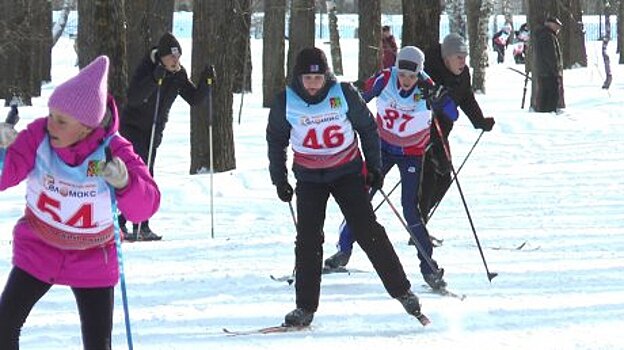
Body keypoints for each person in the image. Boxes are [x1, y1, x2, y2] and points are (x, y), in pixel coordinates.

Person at [0, 56, 160, 349]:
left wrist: (126, 183)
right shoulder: (39, 137)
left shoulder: (111, 152)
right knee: (4, 325)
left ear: (87, 127)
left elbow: (145, 207)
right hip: (39, 247)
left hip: (93, 258)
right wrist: (1, 151)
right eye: (50, 115)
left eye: (61, 120)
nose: (51, 125)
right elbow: (4, 176)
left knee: (98, 343)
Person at [267, 47, 424, 327]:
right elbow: (276, 141)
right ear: (298, 78)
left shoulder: (343, 93)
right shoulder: (285, 101)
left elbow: (367, 128)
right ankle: (304, 307)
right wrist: (279, 179)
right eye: (307, 78)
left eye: (318, 78)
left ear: (326, 75)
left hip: (347, 172)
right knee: (308, 240)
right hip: (309, 178)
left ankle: (403, 290)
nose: (313, 84)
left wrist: (374, 167)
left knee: (367, 230)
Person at [324, 46, 455, 290]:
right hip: (382, 149)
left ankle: (429, 268)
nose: (406, 80)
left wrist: (438, 97)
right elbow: (358, 97)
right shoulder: (385, 79)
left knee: (410, 210)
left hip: (412, 155)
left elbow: (452, 113)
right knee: (361, 200)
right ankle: (343, 251)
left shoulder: (426, 84)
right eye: (402, 74)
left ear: (419, 73)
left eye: (412, 76)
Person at [119, 32, 213, 241]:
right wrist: (154, 78)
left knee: (146, 174)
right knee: (134, 172)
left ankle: (142, 224)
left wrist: (206, 83)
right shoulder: (148, 67)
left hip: (153, 130)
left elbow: (194, 99)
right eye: (171, 57)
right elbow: (134, 97)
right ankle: (121, 221)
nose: (175, 61)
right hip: (132, 127)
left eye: (178, 57)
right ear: (161, 56)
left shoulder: (178, 74)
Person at [417, 33, 496, 227]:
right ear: (446, 58)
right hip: (422, 133)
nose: (463, 62)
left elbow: (467, 98)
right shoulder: (429, 73)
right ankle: (418, 225)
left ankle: (421, 219)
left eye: (465, 57)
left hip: (442, 133)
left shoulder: (463, 75)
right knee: (428, 176)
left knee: (444, 177)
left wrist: (479, 121)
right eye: (459, 57)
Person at [532, 17, 565, 113]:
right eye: (557, 26)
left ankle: (545, 112)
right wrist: (556, 70)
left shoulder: (544, 35)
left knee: (545, 95)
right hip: (549, 72)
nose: (558, 29)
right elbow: (551, 56)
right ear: (551, 25)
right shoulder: (548, 36)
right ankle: (549, 114)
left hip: (544, 71)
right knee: (551, 95)